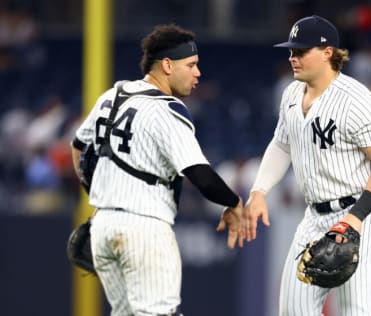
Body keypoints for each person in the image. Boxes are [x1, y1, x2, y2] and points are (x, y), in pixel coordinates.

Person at [70, 24, 244, 316]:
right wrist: (234, 202)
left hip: (102, 226)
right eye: (191, 65)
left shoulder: (113, 96)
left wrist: (99, 195)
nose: (197, 73)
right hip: (145, 229)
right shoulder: (166, 111)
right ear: (167, 65)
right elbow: (200, 175)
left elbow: (78, 147)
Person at [243, 15, 371, 316]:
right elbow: (282, 144)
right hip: (314, 217)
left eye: (301, 51)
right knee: (293, 311)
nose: (293, 57)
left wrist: (355, 219)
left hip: (361, 215)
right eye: (291, 51)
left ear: (327, 52)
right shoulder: (291, 93)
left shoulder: (358, 101)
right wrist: (259, 191)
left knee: (360, 312)